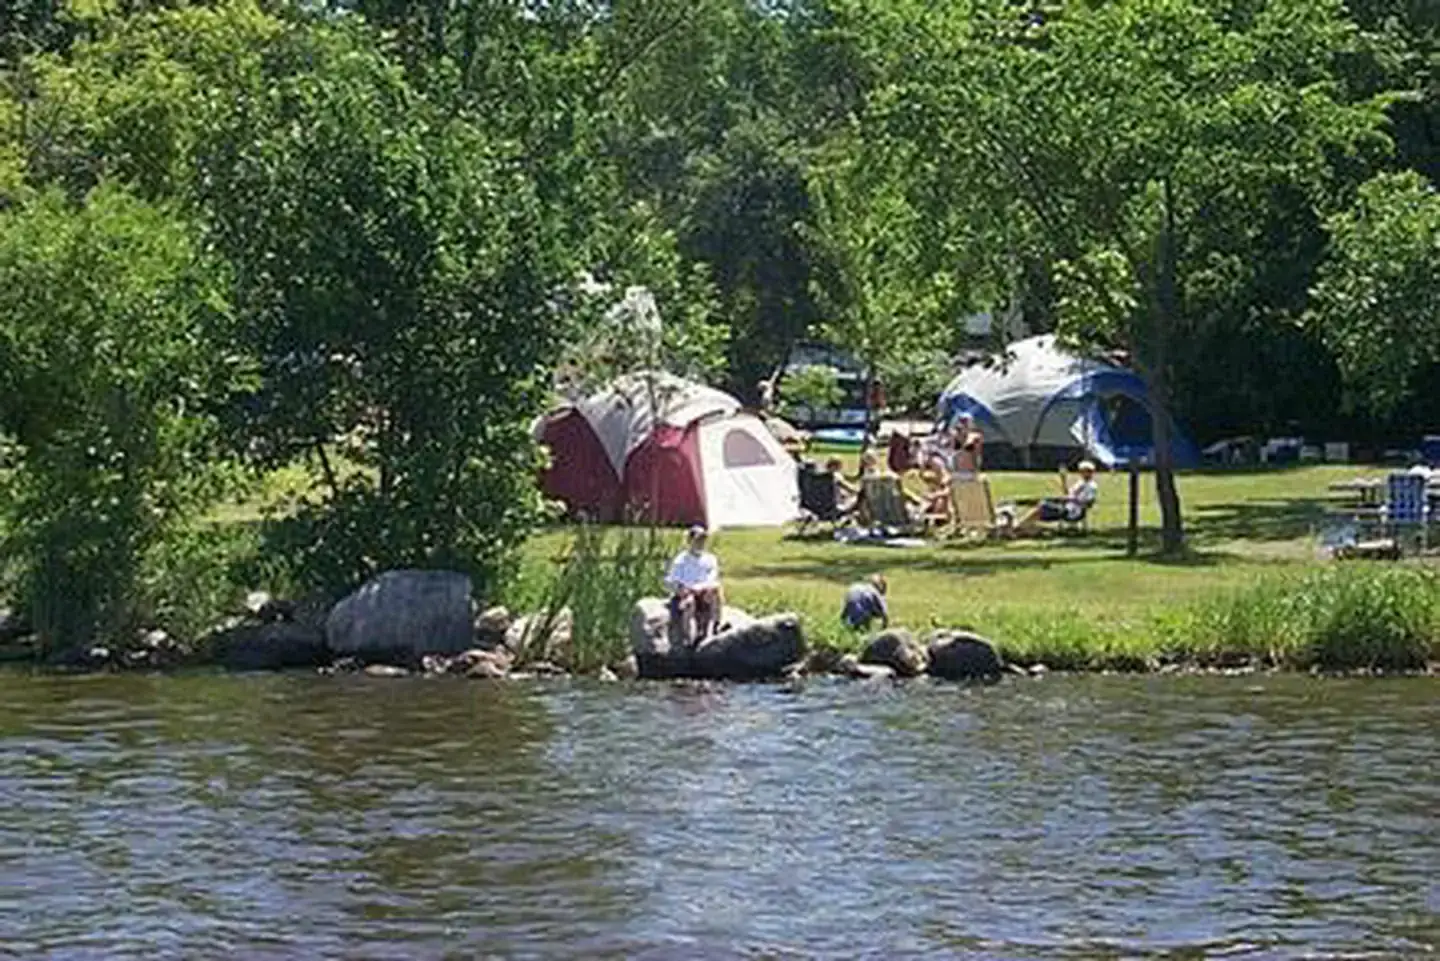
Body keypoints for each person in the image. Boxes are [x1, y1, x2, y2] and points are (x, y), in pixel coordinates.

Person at [665, 526, 723, 640]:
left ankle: (716, 626)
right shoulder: (681, 560)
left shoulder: (711, 559)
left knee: (716, 593)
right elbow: (672, 580)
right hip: (687, 591)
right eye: (697, 540)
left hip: (704, 590)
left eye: (702, 540)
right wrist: (683, 590)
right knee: (689, 603)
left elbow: (712, 577)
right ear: (689, 541)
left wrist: (704, 588)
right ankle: (689, 637)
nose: (700, 543)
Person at [1012, 460, 1099, 533]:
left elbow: (1088, 503)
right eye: (1081, 471)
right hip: (1066, 507)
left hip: (1073, 512)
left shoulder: (1091, 486)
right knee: (1040, 505)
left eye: (1085, 471)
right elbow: (1067, 493)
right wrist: (1063, 479)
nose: (1081, 473)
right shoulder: (1080, 482)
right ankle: (1021, 526)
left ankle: (1018, 526)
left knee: (1042, 506)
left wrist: (1072, 500)